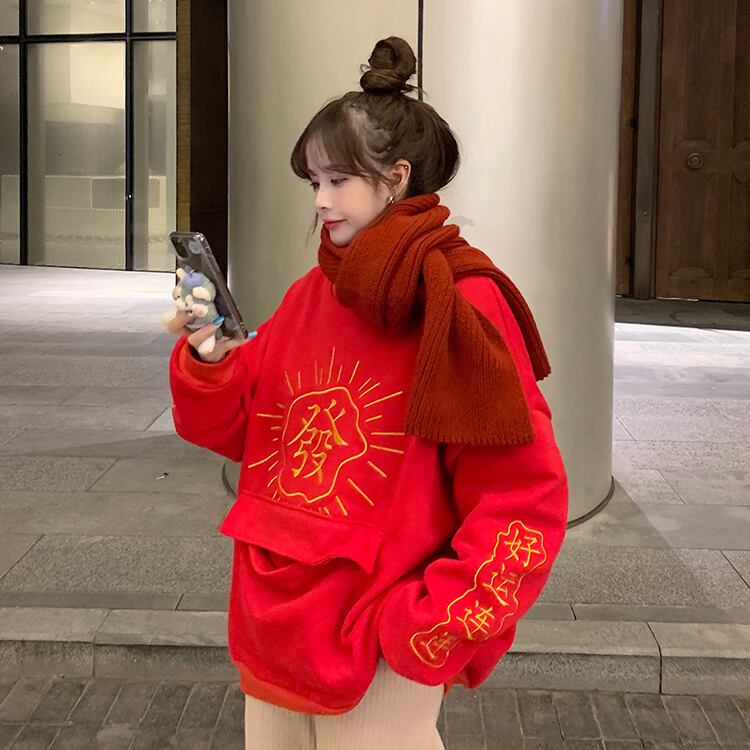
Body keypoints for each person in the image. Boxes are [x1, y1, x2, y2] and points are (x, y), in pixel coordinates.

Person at [166, 35, 568, 750]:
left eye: (338, 180)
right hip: (273, 623)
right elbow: (245, 433)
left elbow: (522, 495)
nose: (320, 201)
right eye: (313, 182)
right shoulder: (311, 293)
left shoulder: (460, 302)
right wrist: (213, 359)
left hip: (381, 642)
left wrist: (428, 625)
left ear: (396, 177)